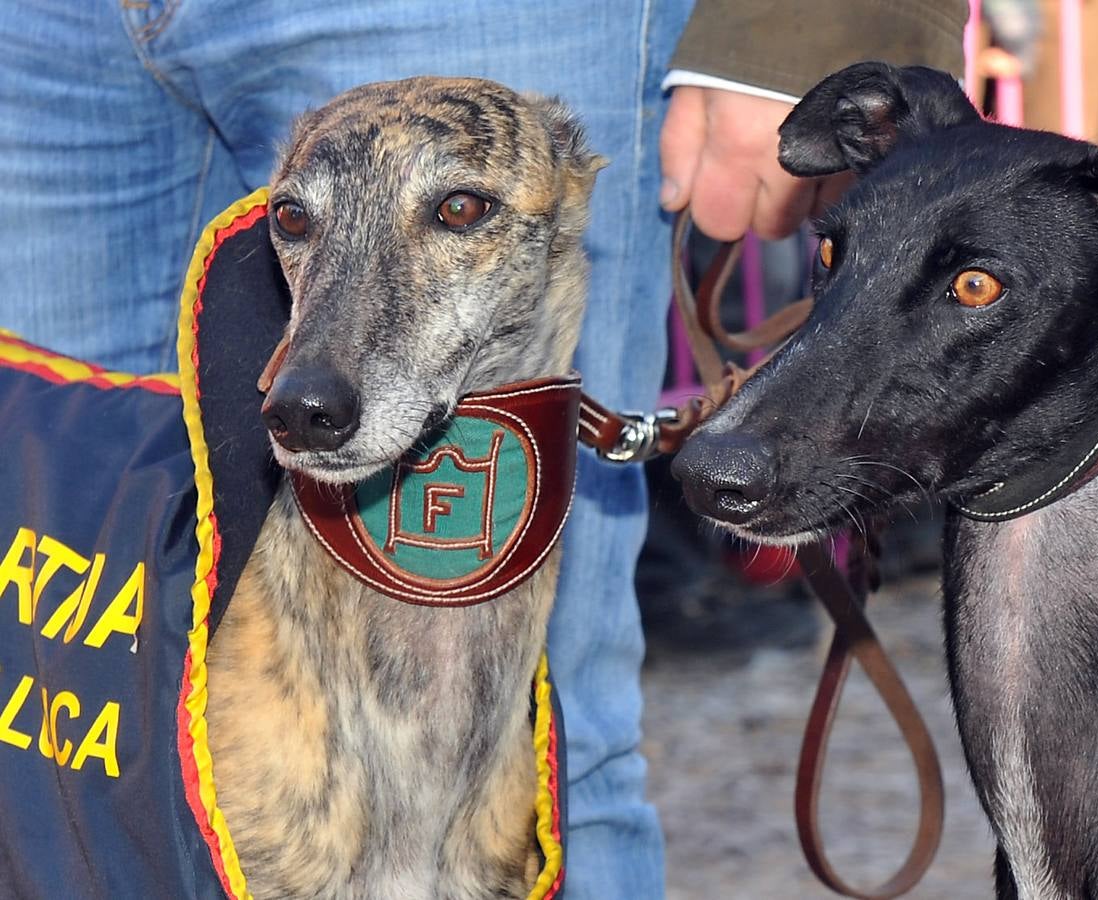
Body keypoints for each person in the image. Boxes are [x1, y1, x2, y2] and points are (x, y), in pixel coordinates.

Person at [0, 2, 964, 895]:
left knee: (559, 748)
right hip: (49, 35)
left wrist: (805, 26)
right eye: (297, 224)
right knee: (66, 715)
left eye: (456, 213)